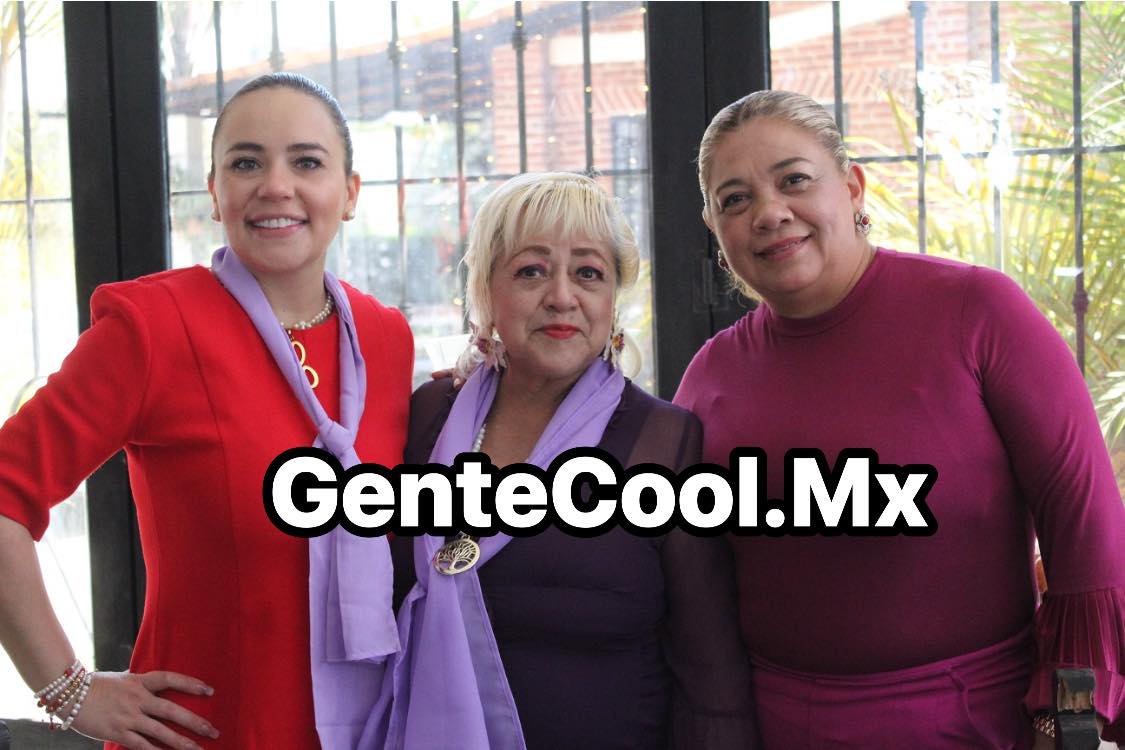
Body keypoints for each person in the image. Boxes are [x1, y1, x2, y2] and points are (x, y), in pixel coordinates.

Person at [674, 89, 1125, 749]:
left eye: (794, 180)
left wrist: (1070, 724)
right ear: (715, 229)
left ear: (852, 187)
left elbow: (1087, 535)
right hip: (768, 729)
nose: (768, 213)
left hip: (979, 726)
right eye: (734, 199)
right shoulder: (709, 374)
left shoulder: (979, 312)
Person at [0, 73, 412, 749]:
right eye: (246, 163)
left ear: (350, 193)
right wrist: (68, 689)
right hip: (207, 733)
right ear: (215, 193)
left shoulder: (384, 338)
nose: (275, 186)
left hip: (371, 730)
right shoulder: (153, 327)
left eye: (306, 162)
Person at [368, 172, 758, 749]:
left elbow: (711, 675)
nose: (561, 296)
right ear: (487, 290)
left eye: (588, 273)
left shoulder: (664, 444)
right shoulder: (428, 416)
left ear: (613, 299)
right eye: (531, 271)